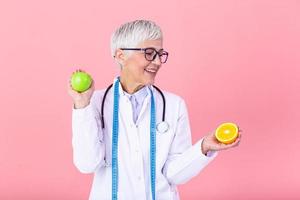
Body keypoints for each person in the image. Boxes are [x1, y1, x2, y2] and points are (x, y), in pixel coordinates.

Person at [67, 19, 241, 200]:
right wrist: (81, 106)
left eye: (160, 54)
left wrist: (203, 147)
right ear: (121, 56)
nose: (158, 62)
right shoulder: (94, 103)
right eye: (149, 53)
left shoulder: (174, 105)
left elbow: (175, 174)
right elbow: (87, 164)